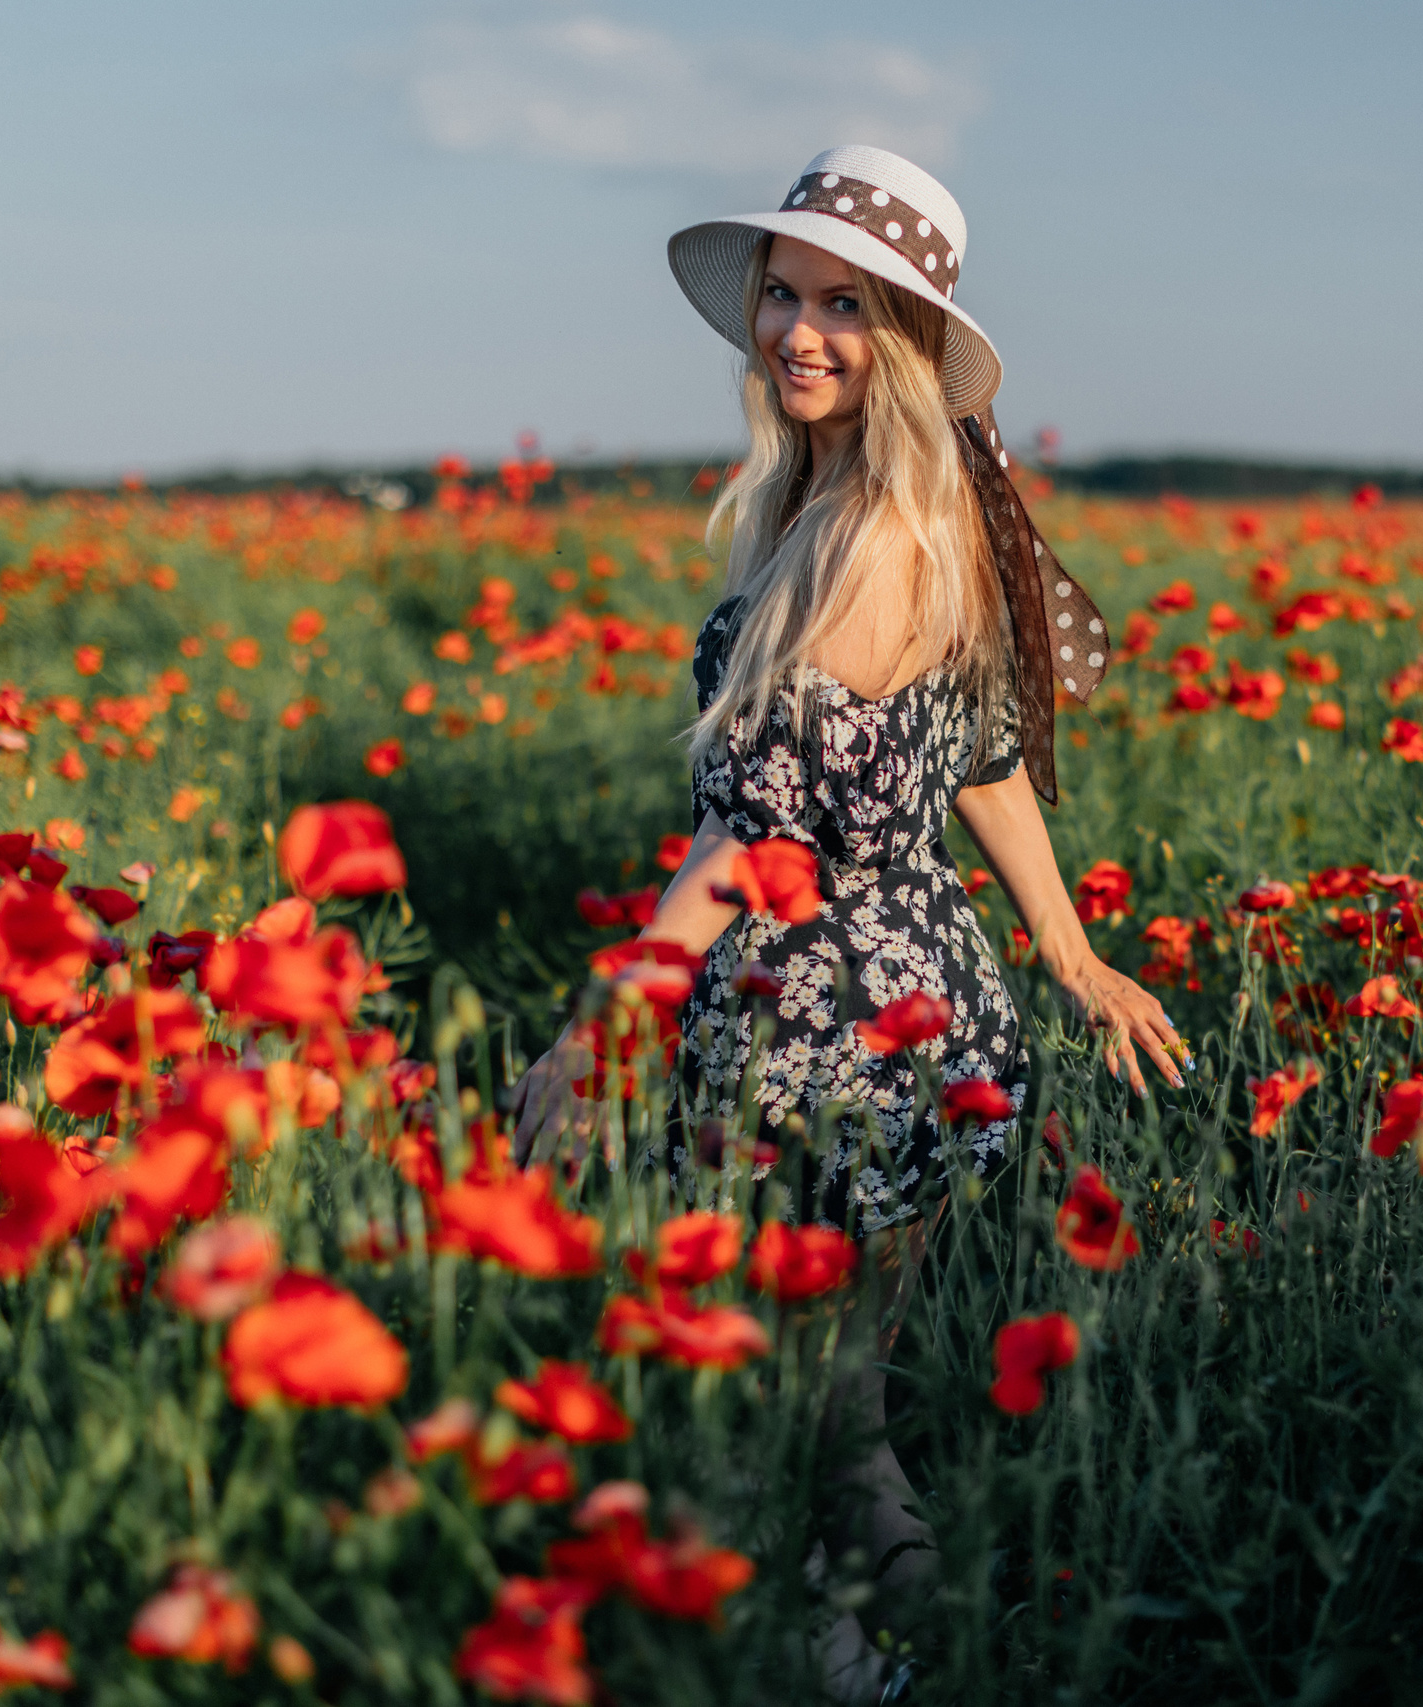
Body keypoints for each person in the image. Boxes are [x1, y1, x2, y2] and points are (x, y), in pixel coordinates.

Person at [509, 143, 1186, 1699]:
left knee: (815, 1411)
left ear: (905, 343)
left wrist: (608, 1022)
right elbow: (990, 762)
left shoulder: (873, 540)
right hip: (919, 1013)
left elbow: (754, 838)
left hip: (833, 1041)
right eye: (785, 292)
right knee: (831, 1401)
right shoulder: (869, 504)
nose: (798, 331)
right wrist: (1071, 964)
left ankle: (892, 1665)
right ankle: (874, 1656)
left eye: (845, 305)